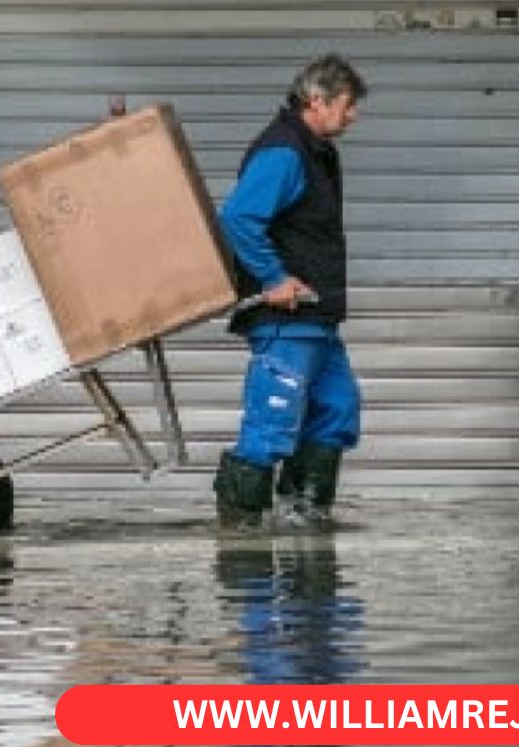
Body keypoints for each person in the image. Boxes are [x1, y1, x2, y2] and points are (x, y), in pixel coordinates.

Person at [213, 54, 367, 530]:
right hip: (286, 321)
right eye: (348, 104)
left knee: (338, 409)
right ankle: (241, 534)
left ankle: (304, 514)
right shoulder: (283, 152)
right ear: (316, 101)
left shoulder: (315, 151)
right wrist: (273, 279)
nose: (353, 115)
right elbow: (238, 217)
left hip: (316, 318)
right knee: (271, 424)